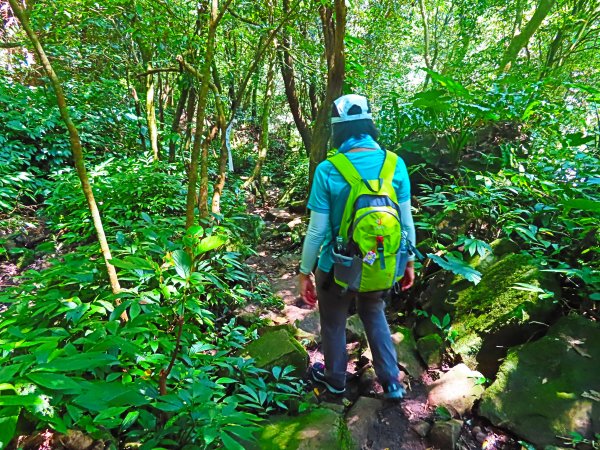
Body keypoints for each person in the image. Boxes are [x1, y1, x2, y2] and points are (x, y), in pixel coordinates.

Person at [298, 94, 416, 400]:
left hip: (336, 267)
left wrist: (304, 272)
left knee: (334, 321)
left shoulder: (328, 168)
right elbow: (405, 222)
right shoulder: (395, 164)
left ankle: (335, 381)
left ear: (337, 130)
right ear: (370, 126)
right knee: (374, 311)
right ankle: (391, 382)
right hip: (381, 264)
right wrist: (408, 263)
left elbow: (317, 231)